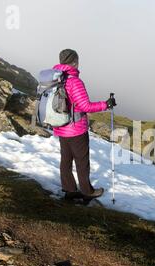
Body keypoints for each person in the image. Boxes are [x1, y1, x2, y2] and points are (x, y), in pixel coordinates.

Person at [53, 49, 116, 203]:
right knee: (82, 162)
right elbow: (85, 106)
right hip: (76, 129)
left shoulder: (55, 78)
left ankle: (70, 190)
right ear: (74, 62)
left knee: (66, 160)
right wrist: (105, 105)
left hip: (60, 126)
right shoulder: (75, 81)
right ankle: (87, 192)